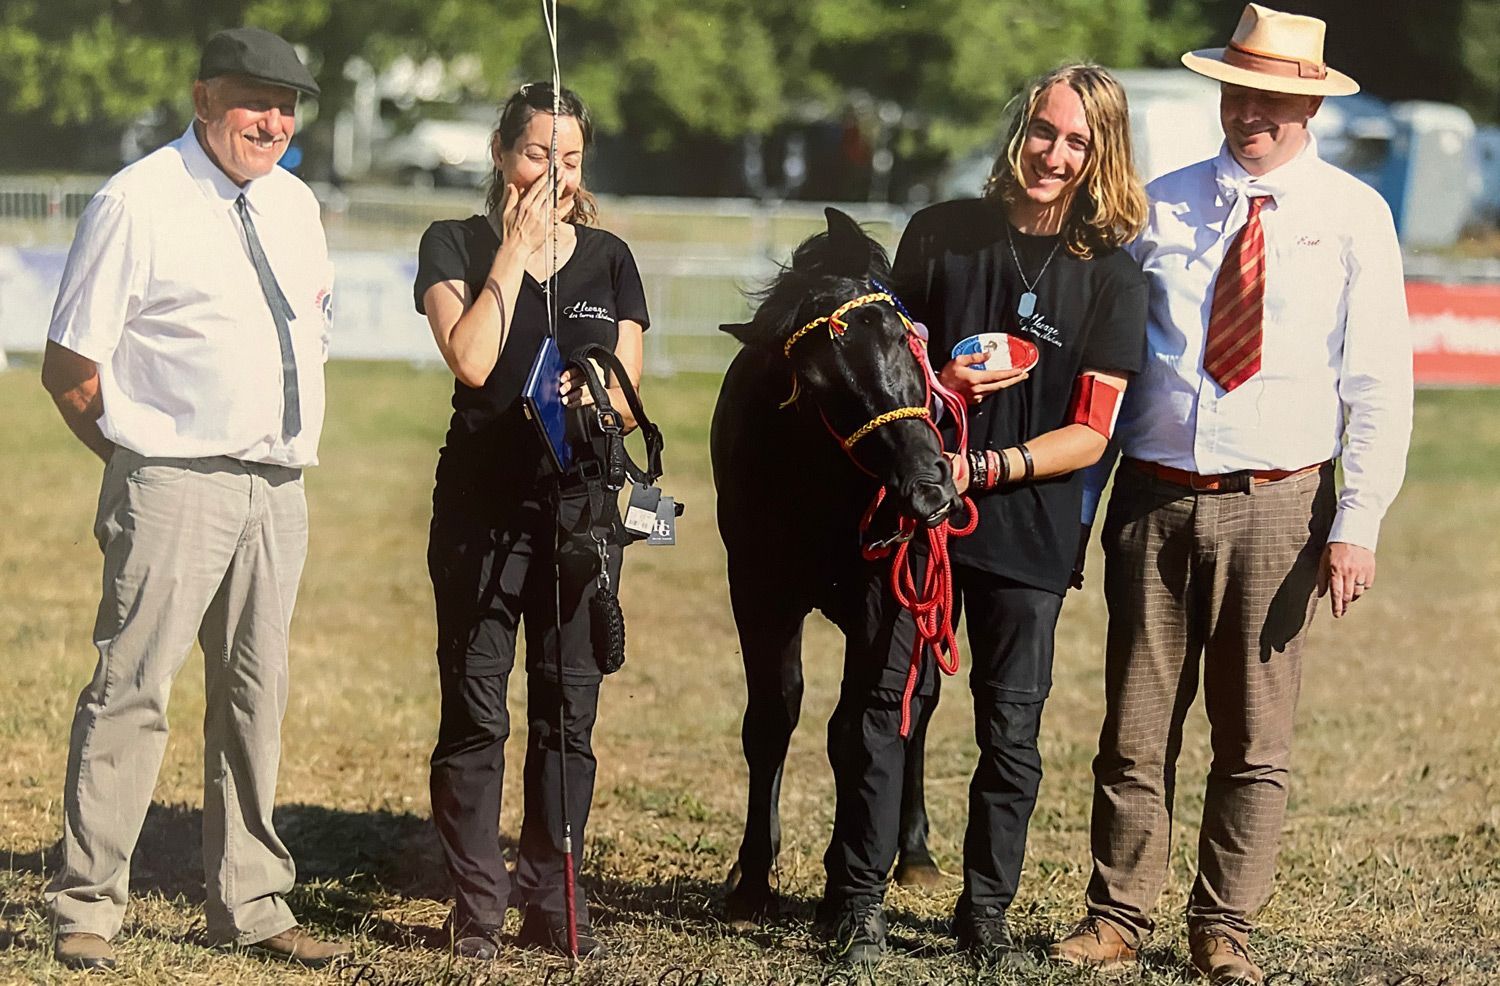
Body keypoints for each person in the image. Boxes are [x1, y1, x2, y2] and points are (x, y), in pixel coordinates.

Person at [1048, 7, 1413, 984]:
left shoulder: (1354, 218)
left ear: (1310, 106)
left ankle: (1224, 924)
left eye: (1273, 97)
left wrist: (1357, 521)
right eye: (1238, 91)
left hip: (1282, 505)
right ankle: (1118, 913)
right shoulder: (1159, 208)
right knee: (1133, 726)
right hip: (1154, 496)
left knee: (1254, 735)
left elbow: (1378, 380)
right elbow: (1108, 365)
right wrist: (1078, 505)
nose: (1250, 111)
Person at [818, 63, 1149, 966]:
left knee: (1012, 731)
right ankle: (855, 903)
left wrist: (986, 466)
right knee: (884, 706)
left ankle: (985, 915)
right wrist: (943, 388)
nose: (1054, 153)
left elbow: (1092, 432)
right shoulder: (940, 235)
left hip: (1031, 534)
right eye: (1044, 130)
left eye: (1078, 141)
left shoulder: (1114, 279)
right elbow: (886, 372)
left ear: (1101, 155)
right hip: (916, 518)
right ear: (1020, 129)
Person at [39, 27, 347, 972]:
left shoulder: (295, 203)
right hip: (172, 482)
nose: (274, 120)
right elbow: (69, 367)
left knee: (257, 698)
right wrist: (143, 464)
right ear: (203, 96)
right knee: (131, 693)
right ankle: (88, 906)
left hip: (278, 486)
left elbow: (311, 330)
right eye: (256, 99)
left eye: (289, 105)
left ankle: (252, 902)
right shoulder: (137, 202)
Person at [413, 82, 649, 961]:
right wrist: (512, 254)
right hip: (481, 509)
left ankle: (551, 895)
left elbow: (629, 400)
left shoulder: (612, 258)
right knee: (477, 714)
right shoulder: (455, 243)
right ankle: (477, 908)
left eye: (572, 158)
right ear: (502, 153)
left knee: (567, 714)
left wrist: (595, 396)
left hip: (579, 514)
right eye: (537, 154)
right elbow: (473, 360)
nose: (555, 173)